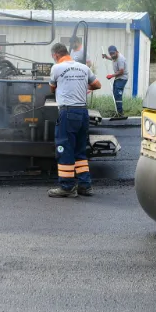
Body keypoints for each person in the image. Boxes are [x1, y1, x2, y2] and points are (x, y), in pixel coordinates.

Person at [48, 42, 101, 198]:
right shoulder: (84, 68)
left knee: (64, 148)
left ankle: (67, 187)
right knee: (80, 150)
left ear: (56, 55)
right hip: (83, 113)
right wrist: (85, 88)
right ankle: (85, 186)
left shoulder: (57, 68)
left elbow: (52, 88)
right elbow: (97, 84)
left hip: (67, 113)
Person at [102, 45, 128, 119]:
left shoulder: (120, 59)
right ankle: (117, 111)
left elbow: (121, 71)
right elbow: (112, 58)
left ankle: (120, 113)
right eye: (111, 54)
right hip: (118, 78)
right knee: (115, 93)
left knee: (117, 94)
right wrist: (106, 57)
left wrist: (111, 76)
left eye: (113, 53)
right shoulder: (114, 57)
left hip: (122, 78)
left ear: (117, 52)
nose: (112, 55)